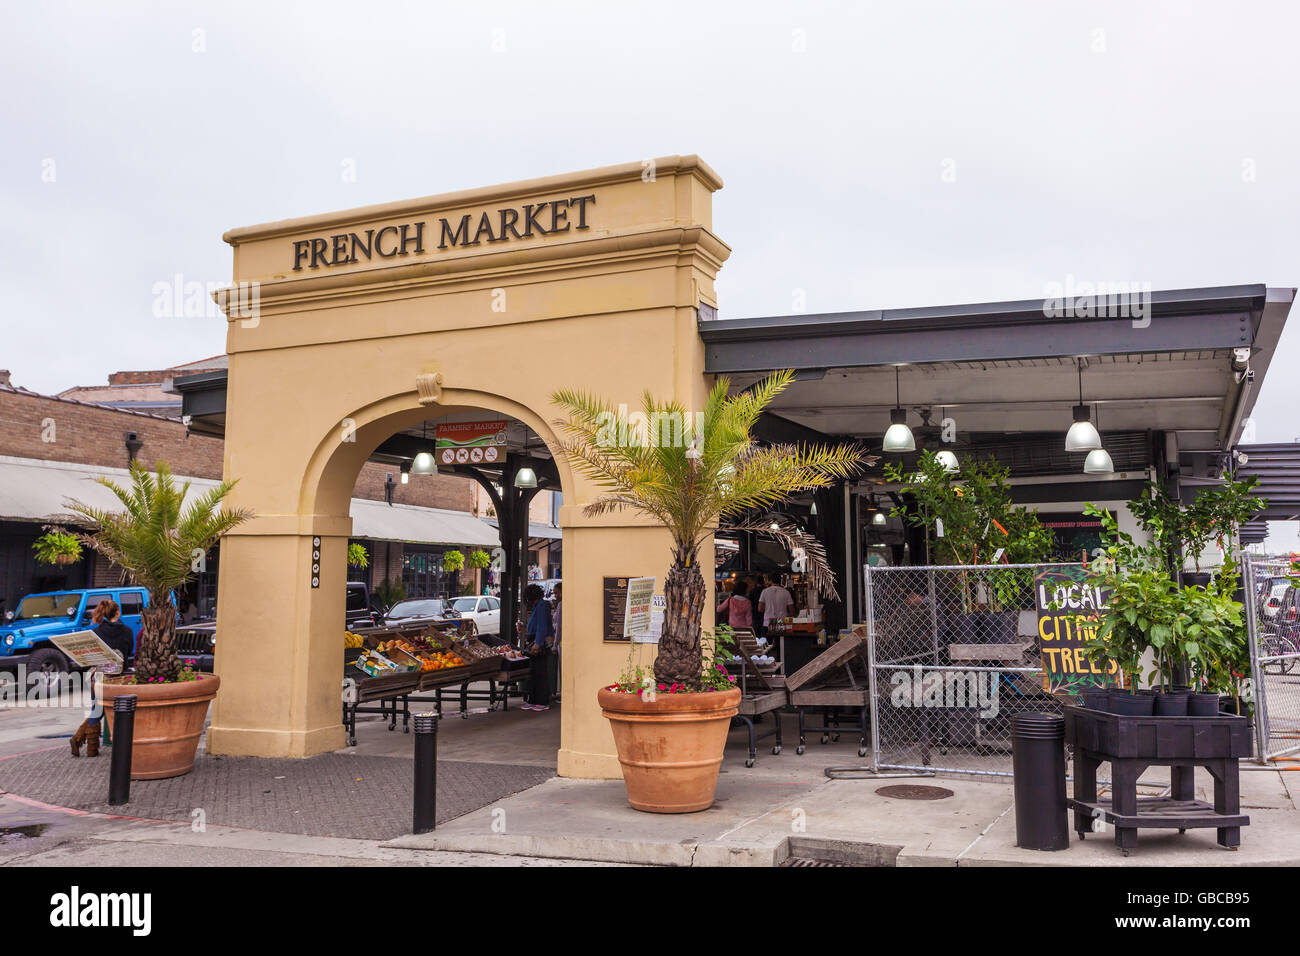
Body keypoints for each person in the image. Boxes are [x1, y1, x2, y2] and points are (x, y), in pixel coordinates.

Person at [70, 599, 135, 757]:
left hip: (98, 677)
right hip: (118, 677)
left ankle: (89, 747)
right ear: (117, 613)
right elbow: (130, 650)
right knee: (114, 710)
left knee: (96, 709)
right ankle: (79, 739)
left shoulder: (96, 633)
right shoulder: (127, 631)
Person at [522, 584, 554, 711]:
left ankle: (541, 701)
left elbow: (542, 626)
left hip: (539, 642)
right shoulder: (538, 606)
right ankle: (533, 699)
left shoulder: (542, 606)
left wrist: (538, 643)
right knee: (534, 672)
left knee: (540, 672)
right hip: (535, 639)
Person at [549, 583, 562, 703]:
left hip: (561, 643)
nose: (555, 595)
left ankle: (563, 694)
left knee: (562, 670)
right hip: (561, 643)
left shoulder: (562, 605)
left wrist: (555, 644)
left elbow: (559, 627)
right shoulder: (559, 605)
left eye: (557, 592)